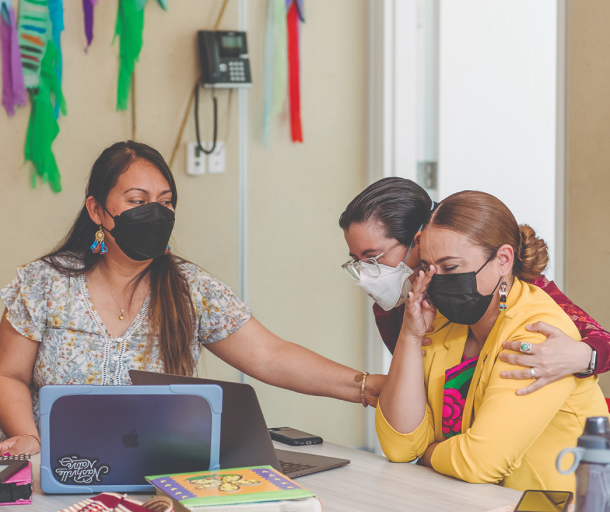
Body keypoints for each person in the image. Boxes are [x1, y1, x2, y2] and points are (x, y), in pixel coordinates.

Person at [0, 141, 383, 456]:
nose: (155, 212)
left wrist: (366, 387)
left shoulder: (191, 288)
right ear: (97, 210)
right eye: (137, 201)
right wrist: (28, 438)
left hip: (155, 472)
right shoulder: (44, 283)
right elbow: (9, 375)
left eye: (165, 202)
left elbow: (270, 356)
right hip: (52, 468)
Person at [373, 190, 608, 491]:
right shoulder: (440, 323)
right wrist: (410, 335)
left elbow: (479, 462)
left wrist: (426, 454)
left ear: (503, 260)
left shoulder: (537, 334)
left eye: (452, 268)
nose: (437, 281)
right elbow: (399, 446)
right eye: (430, 268)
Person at [339, 177, 610, 394]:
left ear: (419, 241)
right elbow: (415, 394)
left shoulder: (510, 285)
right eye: (357, 261)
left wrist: (582, 355)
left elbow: (601, 339)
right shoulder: (391, 310)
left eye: (373, 258)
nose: (366, 275)